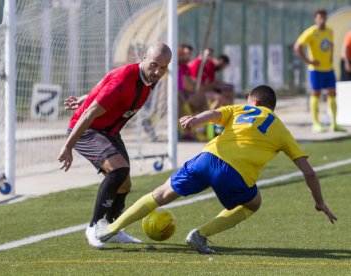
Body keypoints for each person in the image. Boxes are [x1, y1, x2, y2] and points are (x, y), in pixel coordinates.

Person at [95, 84, 337, 254]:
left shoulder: (240, 109)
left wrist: (194, 120)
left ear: (253, 101)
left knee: (161, 194)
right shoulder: (281, 129)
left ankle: (110, 229)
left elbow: (213, 114)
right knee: (253, 203)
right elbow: (308, 172)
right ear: (270, 107)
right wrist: (319, 201)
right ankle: (200, 234)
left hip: (207, 157)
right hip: (234, 174)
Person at [58, 42, 172, 249]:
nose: (157, 71)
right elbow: (89, 113)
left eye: (163, 67)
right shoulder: (124, 80)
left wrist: (87, 96)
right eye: (154, 64)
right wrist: (68, 147)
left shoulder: (150, 78)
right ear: (144, 57)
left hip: (109, 132)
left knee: (125, 184)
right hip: (88, 130)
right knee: (118, 169)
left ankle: (111, 228)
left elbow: (104, 81)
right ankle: (93, 227)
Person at [294, 9, 343, 133]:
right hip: (316, 70)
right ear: (315, 19)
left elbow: (330, 46)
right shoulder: (311, 32)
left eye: (324, 17)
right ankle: (316, 123)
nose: (322, 20)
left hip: (328, 69)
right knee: (316, 94)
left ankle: (334, 123)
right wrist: (308, 61)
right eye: (320, 18)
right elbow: (297, 47)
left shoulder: (330, 32)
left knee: (333, 94)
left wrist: (331, 57)